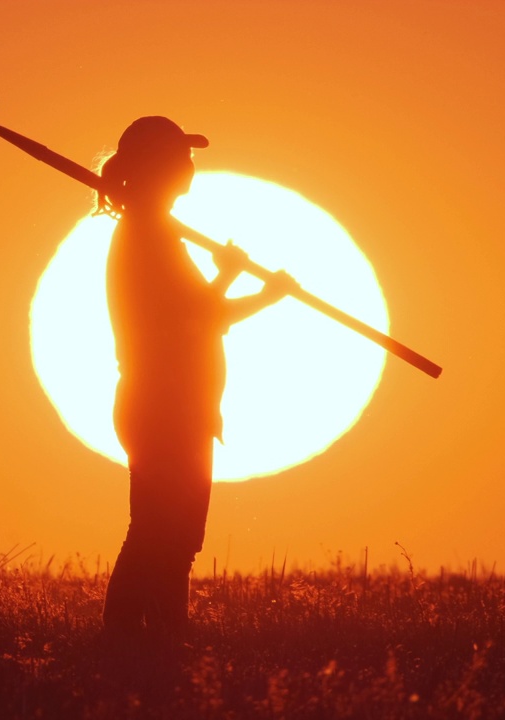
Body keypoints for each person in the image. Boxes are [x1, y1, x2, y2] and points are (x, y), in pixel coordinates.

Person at [97, 116, 296, 639]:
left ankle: (161, 643)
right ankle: (127, 641)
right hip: (164, 404)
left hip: (179, 405)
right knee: (158, 533)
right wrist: (234, 276)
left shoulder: (152, 229)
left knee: (176, 536)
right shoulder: (146, 234)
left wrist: (257, 292)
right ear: (155, 167)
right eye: (179, 157)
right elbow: (194, 318)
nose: (189, 167)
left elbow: (200, 316)